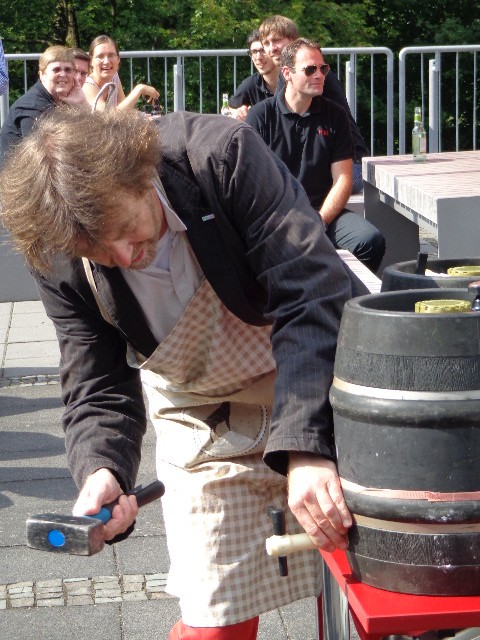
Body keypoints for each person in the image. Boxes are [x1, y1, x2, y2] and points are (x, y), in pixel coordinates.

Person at [0, 107, 368, 639]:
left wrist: (306, 447)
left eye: (124, 229)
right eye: (96, 250)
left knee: (370, 589)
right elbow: (97, 380)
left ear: (140, 175)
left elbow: (310, 294)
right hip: (202, 417)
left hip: (315, 382)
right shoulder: (59, 250)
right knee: (213, 622)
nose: (123, 256)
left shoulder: (221, 157)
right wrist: (103, 469)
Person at [246, 38, 385, 273]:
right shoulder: (261, 116)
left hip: (322, 212)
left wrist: (319, 221)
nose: (320, 75)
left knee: (369, 240)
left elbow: (343, 179)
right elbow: (253, 184)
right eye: (310, 69)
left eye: (323, 68)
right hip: (276, 216)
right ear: (287, 73)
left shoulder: (335, 115)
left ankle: (339, 288)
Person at [259, 15, 369, 193]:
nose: (272, 48)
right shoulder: (286, 76)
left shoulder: (314, 75)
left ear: (294, 41)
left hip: (351, 163)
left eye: (277, 40)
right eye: (266, 43)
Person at [0, 45, 86, 165]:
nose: (63, 74)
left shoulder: (60, 101)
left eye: (68, 70)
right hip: (19, 174)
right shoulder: (33, 107)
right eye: (56, 69)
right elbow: (42, 158)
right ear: (42, 75)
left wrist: (82, 104)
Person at [83, 34, 159, 110]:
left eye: (111, 55)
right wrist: (139, 89)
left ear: (118, 59)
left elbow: (125, 108)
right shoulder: (87, 85)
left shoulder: (114, 76)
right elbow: (106, 115)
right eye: (100, 56)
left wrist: (143, 116)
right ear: (90, 61)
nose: (106, 61)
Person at [228, 30, 278, 121]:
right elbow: (229, 109)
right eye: (254, 52)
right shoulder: (250, 84)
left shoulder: (292, 81)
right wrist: (238, 113)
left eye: (263, 51)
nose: (258, 57)